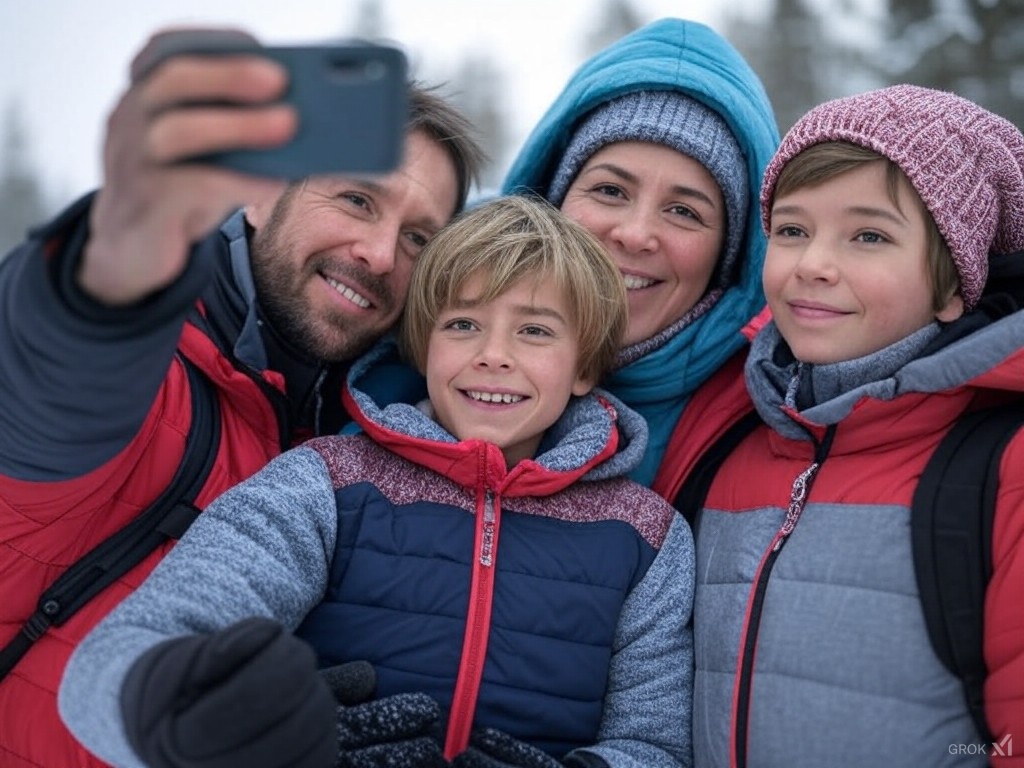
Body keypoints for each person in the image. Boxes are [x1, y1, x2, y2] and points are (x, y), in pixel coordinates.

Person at [57, 195, 696, 768]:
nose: (493, 354)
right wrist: (250, 735)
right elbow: (122, 659)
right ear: (423, 347)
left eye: (534, 331)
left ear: (584, 366)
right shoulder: (326, 486)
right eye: (463, 324)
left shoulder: (645, 536)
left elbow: (657, 743)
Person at [0, 27, 485, 768]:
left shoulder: (384, 442)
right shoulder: (145, 373)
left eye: (420, 238)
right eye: (357, 198)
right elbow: (55, 367)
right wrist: (119, 269)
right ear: (261, 192)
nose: (382, 254)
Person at [654, 84, 1024, 767]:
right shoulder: (726, 439)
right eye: (792, 230)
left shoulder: (1002, 469)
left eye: (869, 235)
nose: (813, 265)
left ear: (952, 286)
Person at [501, 17, 780, 485]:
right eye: (610, 190)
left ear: (728, 256)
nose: (634, 234)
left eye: (684, 212)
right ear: (547, 205)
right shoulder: (422, 370)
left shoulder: (770, 423)